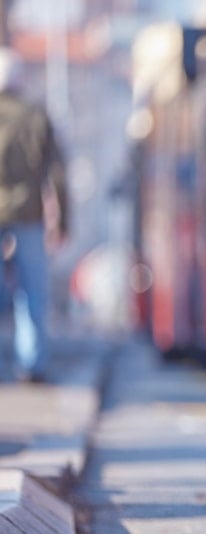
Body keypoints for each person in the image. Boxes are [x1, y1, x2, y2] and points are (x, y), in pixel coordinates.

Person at [0, 48, 69, 383]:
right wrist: (64, 220)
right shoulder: (36, 116)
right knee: (32, 290)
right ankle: (32, 363)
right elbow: (57, 173)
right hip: (28, 213)